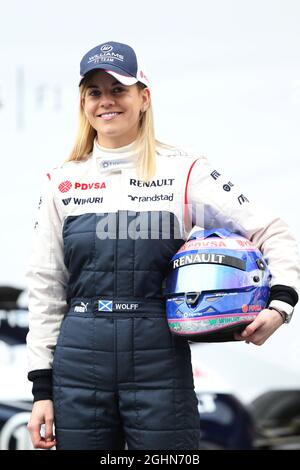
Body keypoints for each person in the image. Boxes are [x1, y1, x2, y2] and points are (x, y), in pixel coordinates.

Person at [26, 40, 300, 450]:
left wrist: (281, 304)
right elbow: (46, 287)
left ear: (143, 96)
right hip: (79, 362)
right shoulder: (60, 182)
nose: (107, 102)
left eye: (118, 89)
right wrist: (41, 389)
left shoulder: (184, 171)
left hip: (157, 357)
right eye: (95, 92)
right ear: (83, 103)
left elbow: (273, 231)